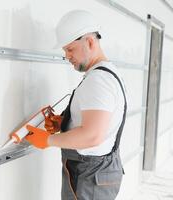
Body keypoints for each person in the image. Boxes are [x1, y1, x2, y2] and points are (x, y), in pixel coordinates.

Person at [24, 10, 127, 200]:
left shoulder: (98, 81)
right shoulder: (106, 74)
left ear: (89, 42)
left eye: (70, 50)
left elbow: (92, 136)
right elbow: (99, 122)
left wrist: (47, 140)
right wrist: (64, 123)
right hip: (98, 171)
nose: (67, 56)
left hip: (89, 174)